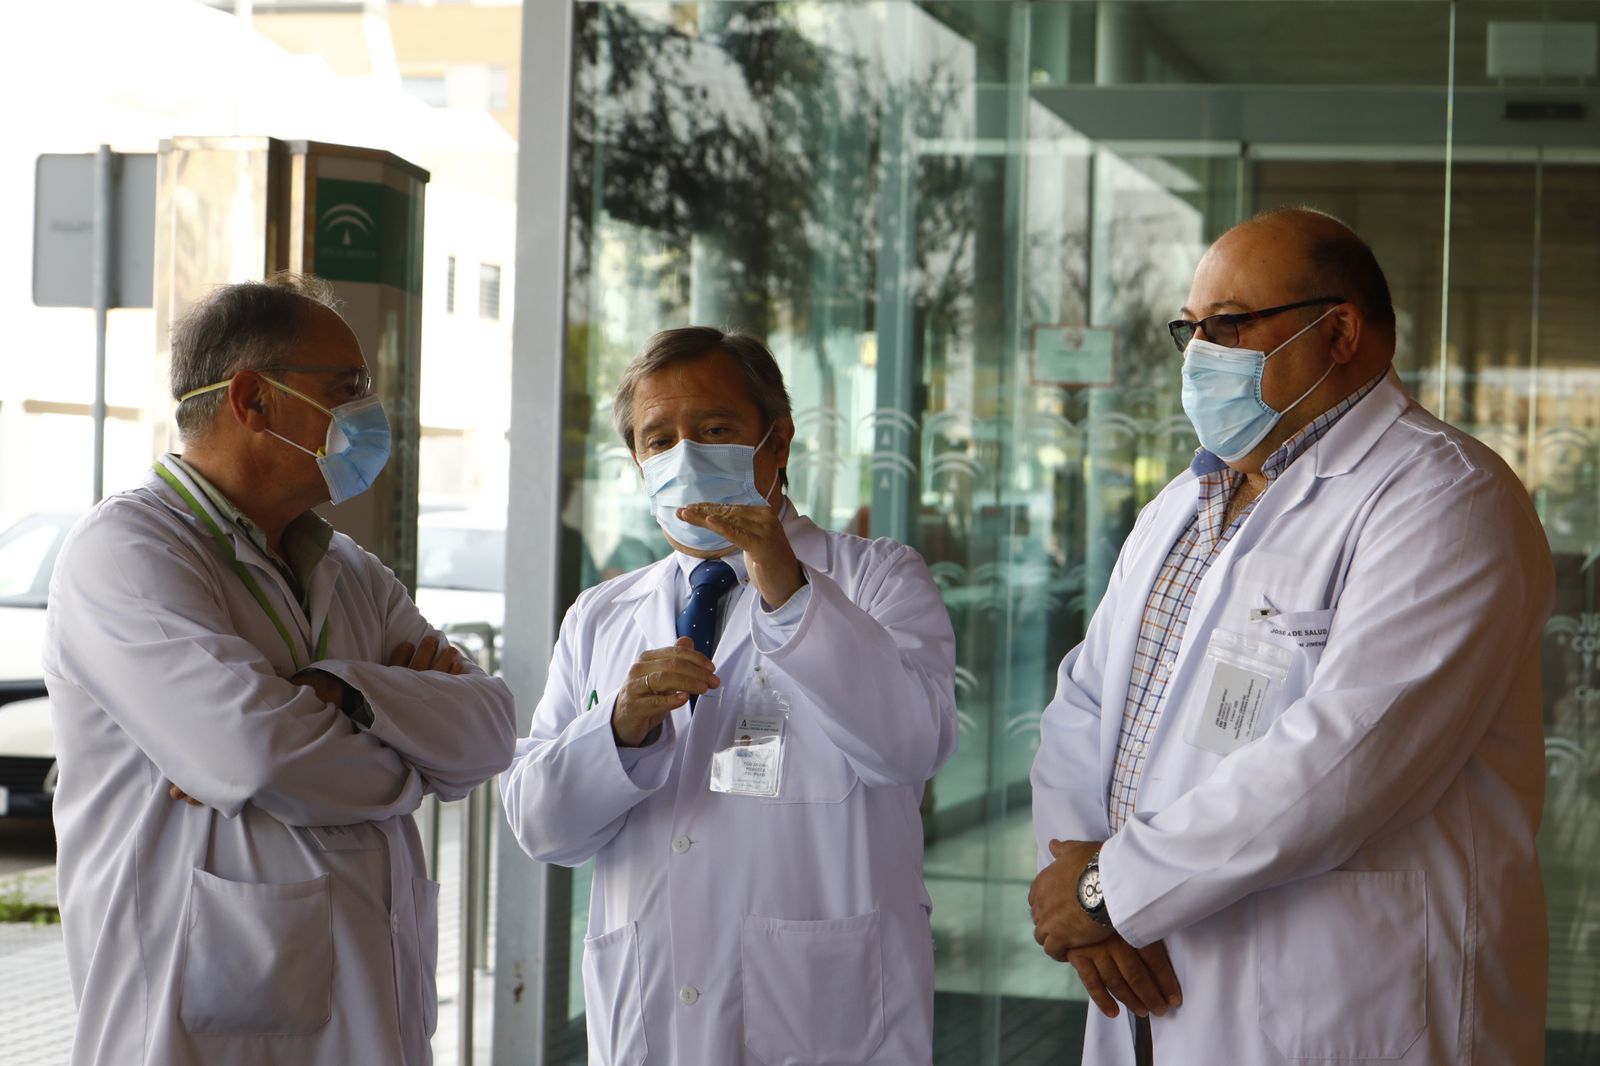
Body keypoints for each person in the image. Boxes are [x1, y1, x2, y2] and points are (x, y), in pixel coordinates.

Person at [1028, 208, 1553, 1065]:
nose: (1200, 354)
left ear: (1339, 330)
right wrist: (1085, 900)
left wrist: (1109, 890)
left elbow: (1348, 760)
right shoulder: (1181, 506)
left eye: (1228, 326)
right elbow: (1083, 702)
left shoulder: (1450, 499)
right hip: (1149, 987)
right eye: (1189, 330)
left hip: (1346, 1005)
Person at [43, 273, 517, 1066]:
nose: (370, 413)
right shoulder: (125, 553)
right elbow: (254, 754)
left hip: (379, 1022)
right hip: (196, 1031)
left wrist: (341, 692)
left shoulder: (351, 568)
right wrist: (412, 762)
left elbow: (491, 732)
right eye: (346, 388)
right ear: (252, 399)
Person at [500, 327, 957, 1065]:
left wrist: (789, 591)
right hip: (653, 1019)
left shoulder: (877, 580)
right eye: (659, 439)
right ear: (638, 465)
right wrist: (617, 731)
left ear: (775, 445)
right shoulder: (600, 615)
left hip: (825, 1022)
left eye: (714, 430)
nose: (685, 455)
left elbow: (909, 746)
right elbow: (540, 825)